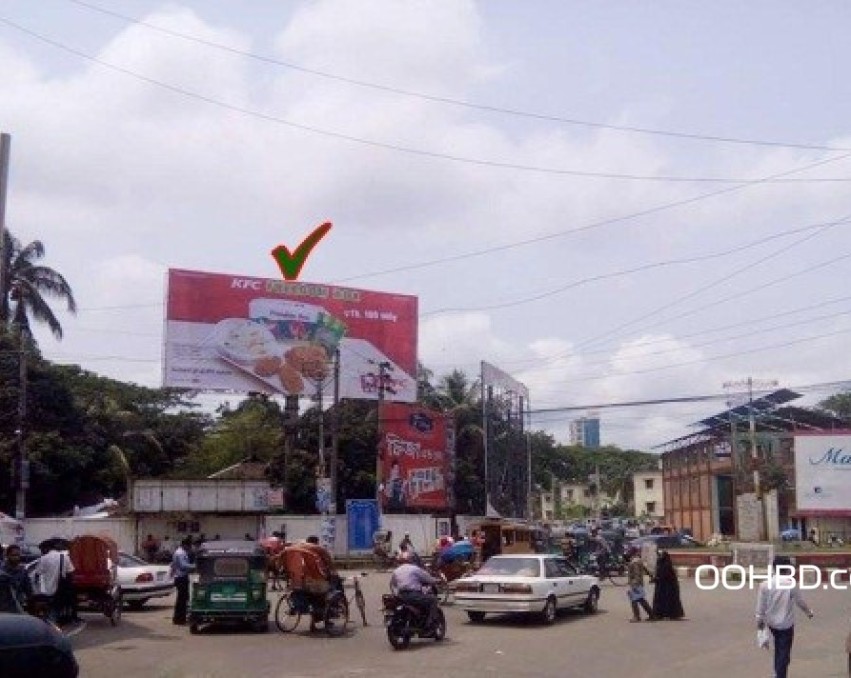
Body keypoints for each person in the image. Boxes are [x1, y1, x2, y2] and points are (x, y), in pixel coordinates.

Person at [755, 555, 814, 678]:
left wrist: (760, 626)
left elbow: (760, 609)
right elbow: (800, 602)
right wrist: (809, 612)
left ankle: (777, 673)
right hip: (786, 625)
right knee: (784, 653)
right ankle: (780, 674)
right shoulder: (791, 584)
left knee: (779, 649)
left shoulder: (765, 585)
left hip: (771, 623)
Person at [389, 550, 441, 630]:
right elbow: (428, 579)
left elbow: (393, 584)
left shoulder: (396, 571)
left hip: (401, 596)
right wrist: (437, 580)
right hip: (413, 595)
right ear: (411, 560)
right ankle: (430, 624)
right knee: (433, 600)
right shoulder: (415, 569)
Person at [33, 542, 75, 623]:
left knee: (46, 613)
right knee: (56, 611)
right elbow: (70, 572)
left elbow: (37, 573)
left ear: (46, 549)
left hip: (45, 591)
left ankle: (47, 627)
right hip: (60, 590)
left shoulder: (44, 558)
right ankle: (53, 627)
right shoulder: (65, 557)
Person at [651, 550, 684, 620]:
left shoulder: (666, 565)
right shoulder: (661, 563)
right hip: (662, 586)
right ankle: (660, 614)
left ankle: (671, 614)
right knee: (661, 600)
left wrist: (656, 579)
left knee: (668, 600)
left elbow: (664, 575)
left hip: (669, 586)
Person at [0, 544, 33, 613]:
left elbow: (28, 590)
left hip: (17, 607)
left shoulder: (23, 572)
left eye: (18, 555)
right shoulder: (2, 571)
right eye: (14, 555)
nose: (17, 558)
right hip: (3, 608)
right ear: (7, 556)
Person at [170, 536, 195, 625]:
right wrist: (195, 566)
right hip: (181, 578)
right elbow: (183, 565)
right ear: (185, 545)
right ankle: (180, 619)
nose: (190, 547)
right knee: (182, 599)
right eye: (189, 545)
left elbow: (173, 565)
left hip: (180, 577)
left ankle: (179, 618)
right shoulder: (181, 553)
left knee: (182, 599)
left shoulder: (179, 552)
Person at [626, 546, 654, 622]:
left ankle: (637, 616)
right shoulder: (638, 560)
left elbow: (637, 574)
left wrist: (634, 584)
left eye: (629, 551)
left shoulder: (635, 561)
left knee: (634, 600)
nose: (628, 553)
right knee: (641, 600)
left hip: (636, 583)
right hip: (638, 583)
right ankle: (651, 614)